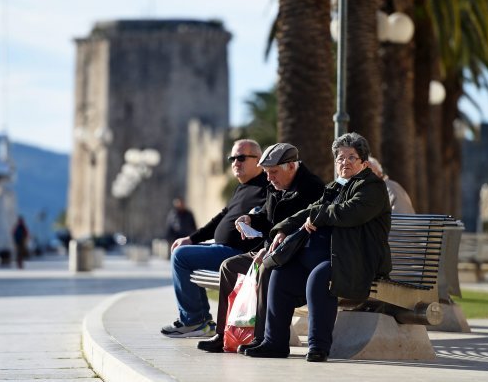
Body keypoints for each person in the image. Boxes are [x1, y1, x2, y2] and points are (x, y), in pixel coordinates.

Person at [244, 132, 391, 362]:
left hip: (355, 261)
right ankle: (274, 343)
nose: (345, 163)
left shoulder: (372, 187)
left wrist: (319, 216)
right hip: (327, 256)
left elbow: (351, 212)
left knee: (320, 278)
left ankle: (318, 347)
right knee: (280, 274)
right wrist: (283, 228)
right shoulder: (335, 187)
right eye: (340, 158)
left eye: (351, 157)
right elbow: (308, 211)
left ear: (363, 161)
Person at [197, 143, 325, 353]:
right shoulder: (276, 187)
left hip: (295, 258)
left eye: (273, 172)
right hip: (271, 249)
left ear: (291, 167)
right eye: (266, 172)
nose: (269, 178)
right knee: (229, 267)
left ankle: (263, 338)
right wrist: (250, 219)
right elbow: (267, 218)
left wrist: (269, 251)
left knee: (266, 269)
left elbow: (303, 231)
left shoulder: (311, 189)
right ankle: (224, 334)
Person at [161, 139, 269, 338]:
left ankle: (194, 320)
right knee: (184, 250)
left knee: (181, 256)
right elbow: (221, 217)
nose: (236, 163)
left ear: (259, 160)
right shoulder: (243, 188)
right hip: (223, 248)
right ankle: (200, 320)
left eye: (242, 158)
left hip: (240, 254)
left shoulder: (267, 187)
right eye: (232, 158)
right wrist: (192, 239)